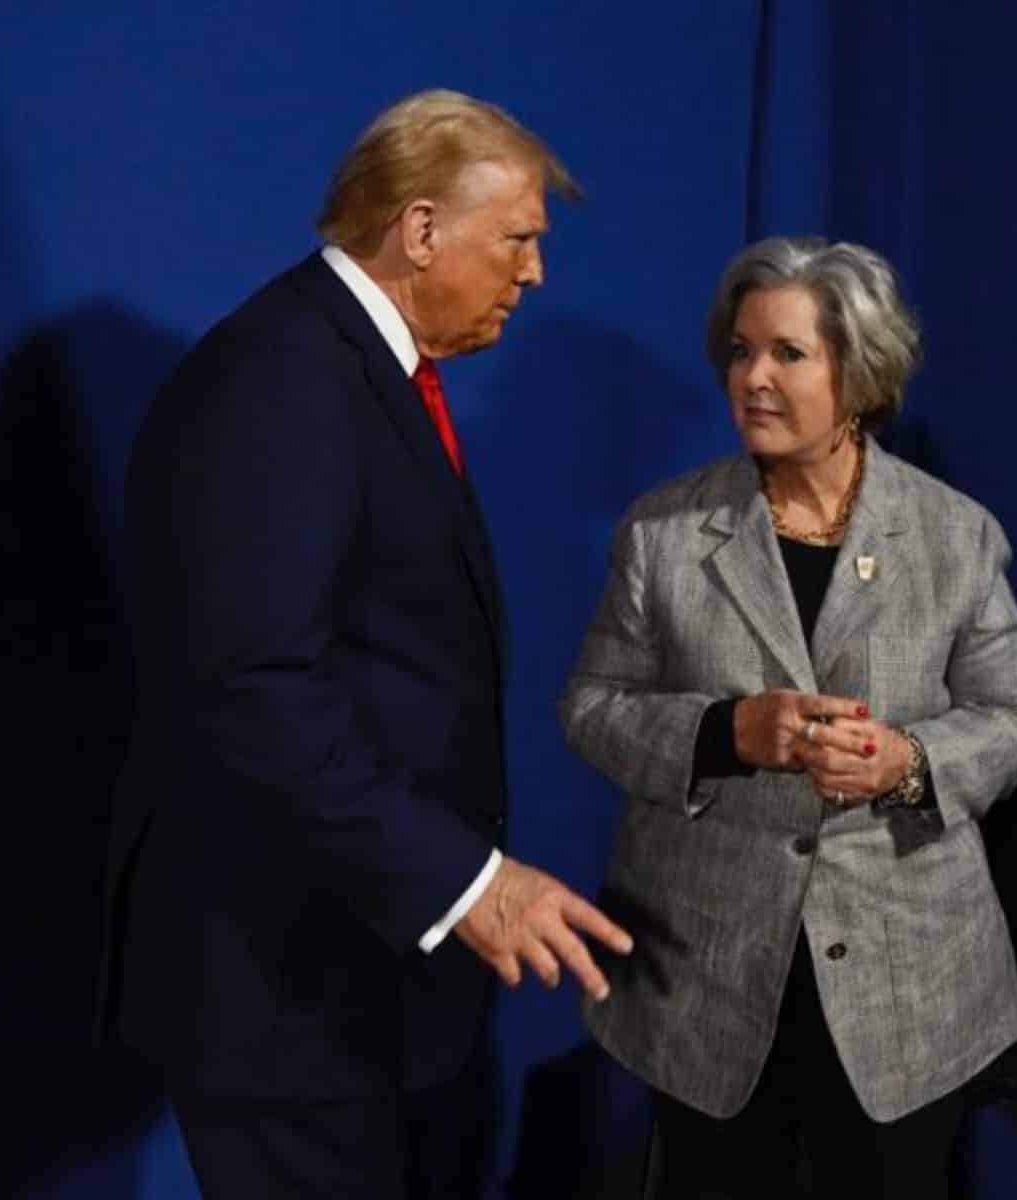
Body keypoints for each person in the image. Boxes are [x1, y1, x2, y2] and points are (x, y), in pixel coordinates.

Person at [100, 89, 633, 1200]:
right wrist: (469, 883)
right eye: (519, 239)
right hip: (283, 988)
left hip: (358, 980)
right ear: (423, 229)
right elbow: (254, 686)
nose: (532, 274)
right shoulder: (286, 381)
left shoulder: (348, 368)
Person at [559, 236, 1017, 1198]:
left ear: (859, 373)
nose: (754, 378)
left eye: (789, 354)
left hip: (908, 981)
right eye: (740, 352)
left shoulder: (956, 535)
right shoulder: (662, 533)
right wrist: (722, 734)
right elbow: (591, 707)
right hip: (707, 972)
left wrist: (907, 759)